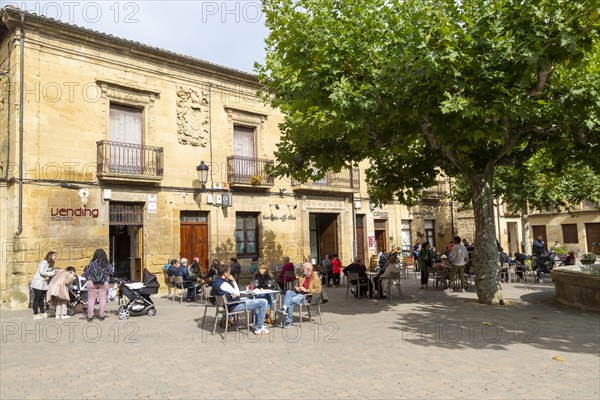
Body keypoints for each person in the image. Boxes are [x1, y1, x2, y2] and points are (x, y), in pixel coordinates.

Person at [212, 264, 270, 335]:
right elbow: (238, 293)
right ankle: (259, 328)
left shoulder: (216, 281)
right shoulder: (224, 284)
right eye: (229, 272)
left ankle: (256, 322)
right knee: (264, 301)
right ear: (225, 273)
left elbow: (231, 293)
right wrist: (233, 281)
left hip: (229, 304)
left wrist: (232, 294)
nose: (230, 273)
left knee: (252, 297)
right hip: (234, 306)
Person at [279, 262, 322, 328]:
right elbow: (296, 285)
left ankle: (288, 321)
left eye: (303, 268)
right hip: (299, 293)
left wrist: (306, 290)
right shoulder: (302, 276)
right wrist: (297, 288)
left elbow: (318, 290)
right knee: (288, 292)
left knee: (290, 301)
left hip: (307, 296)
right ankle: (284, 308)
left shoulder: (315, 278)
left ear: (308, 269)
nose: (302, 269)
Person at [84, 249, 114, 322]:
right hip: (103, 282)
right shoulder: (106, 263)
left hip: (91, 282)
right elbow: (112, 271)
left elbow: (86, 273)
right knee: (102, 299)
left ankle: (90, 316)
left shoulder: (91, 263)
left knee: (91, 299)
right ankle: (101, 315)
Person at [30, 251, 57, 319]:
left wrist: (49, 275)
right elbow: (42, 272)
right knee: (37, 298)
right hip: (38, 282)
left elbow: (52, 272)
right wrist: (50, 274)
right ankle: (35, 314)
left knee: (42, 299)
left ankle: (42, 312)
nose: (55, 257)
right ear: (50, 256)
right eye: (54, 256)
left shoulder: (51, 264)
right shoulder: (44, 262)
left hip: (44, 283)